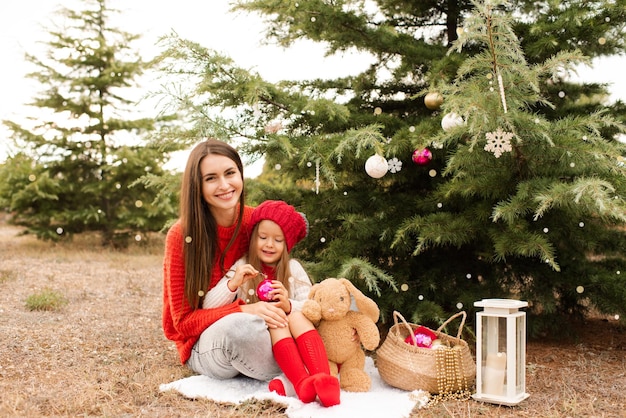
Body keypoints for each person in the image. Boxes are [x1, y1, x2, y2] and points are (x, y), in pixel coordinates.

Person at [162, 139, 288, 388]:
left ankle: (298, 363)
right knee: (239, 329)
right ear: (197, 186)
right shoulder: (181, 235)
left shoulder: (256, 222)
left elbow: (283, 276)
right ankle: (296, 369)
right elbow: (184, 323)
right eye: (211, 178)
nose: (224, 185)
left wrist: (284, 303)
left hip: (264, 325)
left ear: (240, 174)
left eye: (230, 173)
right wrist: (243, 310)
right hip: (205, 341)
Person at [202, 200, 340, 407]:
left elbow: (313, 309)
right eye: (263, 237)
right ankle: (301, 383)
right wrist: (233, 283)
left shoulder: (293, 269)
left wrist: (289, 305)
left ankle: (324, 381)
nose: (269, 244)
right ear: (253, 238)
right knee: (277, 321)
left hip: (295, 340)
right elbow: (208, 307)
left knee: (294, 315)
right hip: (263, 344)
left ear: (287, 245)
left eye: (278, 240)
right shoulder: (242, 266)